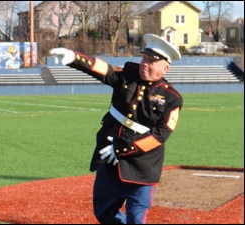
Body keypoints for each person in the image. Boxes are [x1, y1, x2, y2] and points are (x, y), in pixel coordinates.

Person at [49, 33, 183, 224]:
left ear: (165, 67)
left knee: (137, 217)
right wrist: (74, 58)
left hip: (142, 166)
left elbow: (160, 135)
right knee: (104, 213)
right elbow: (104, 70)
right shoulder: (129, 75)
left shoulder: (171, 97)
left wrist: (121, 149)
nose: (145, 63)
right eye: (144, 58)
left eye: (151, 61)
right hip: (110, 161)